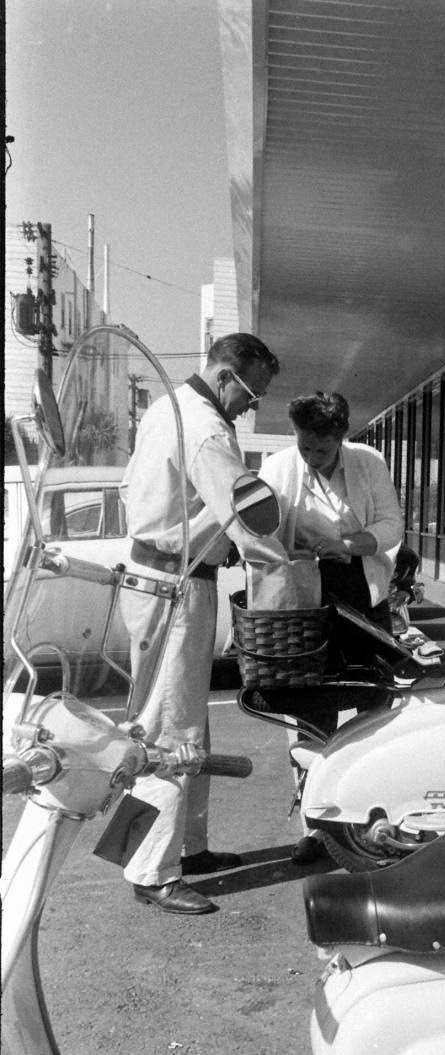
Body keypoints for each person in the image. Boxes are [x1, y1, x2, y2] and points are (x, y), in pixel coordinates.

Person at [120, 333, 289, 915]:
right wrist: (290, 556)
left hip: (160, 575)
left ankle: (186, 850)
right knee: (167, 729)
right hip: (177, 583)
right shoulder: (210, 430)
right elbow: (247, 516)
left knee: (185, 723)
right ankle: (152, 870)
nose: (251, 407)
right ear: (226, 378)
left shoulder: (166, 406)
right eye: (252, 394)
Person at [259, 391, 404, 862]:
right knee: (309, 711)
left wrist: (354, 544)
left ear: (341, 438)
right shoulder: (277, 467)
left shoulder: (369, 462)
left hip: (360, 589)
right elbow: (259, 531)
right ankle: (314, 827)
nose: (311, 458)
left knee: (372, 704)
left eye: (321, 450)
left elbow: (392, 526)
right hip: (302, 598)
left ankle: (370, 816)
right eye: (304, 447)